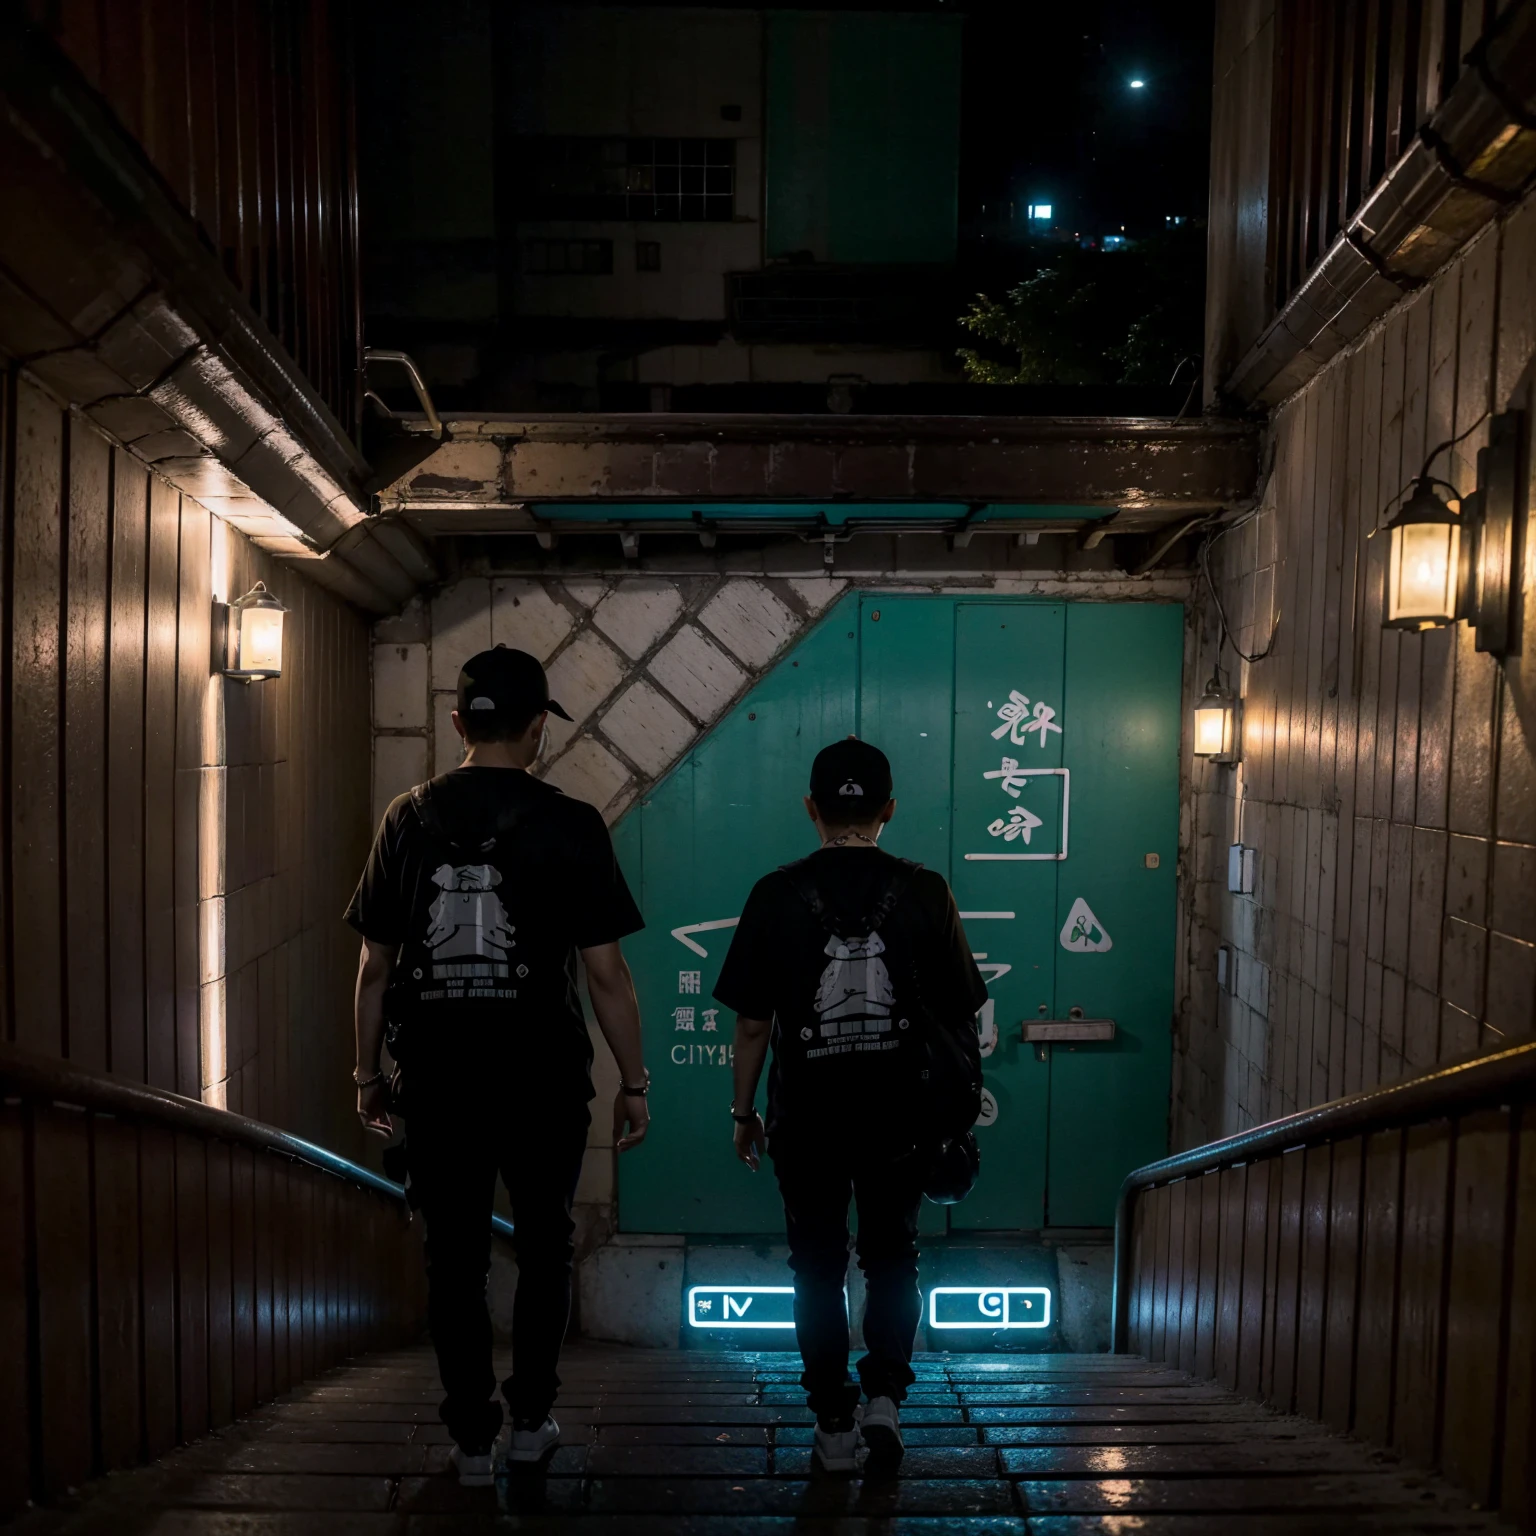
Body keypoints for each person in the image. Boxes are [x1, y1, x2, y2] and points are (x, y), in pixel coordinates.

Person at [346, 645, 651, 1486]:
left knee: (455, 1255)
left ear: (458, 723)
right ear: (541, 726)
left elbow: (376, 967)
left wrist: (367, 1075)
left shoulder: (405, 819)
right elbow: (604, 975)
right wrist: (634, 1082)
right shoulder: (572, 823)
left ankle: (472, 1438)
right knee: (547, 1243)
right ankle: (531, 1420)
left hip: (439, 1079)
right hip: (542, 1076)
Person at [712, 738, 987, 1472]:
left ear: (812, 809)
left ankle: (832, 1422)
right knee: (894, 1256)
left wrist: (744, 1114)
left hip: (807, 1120)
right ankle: (885, 1402)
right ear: (889, 809)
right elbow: (963, 1011)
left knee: (816, 1266)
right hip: (902, 1119)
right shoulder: (926, 891)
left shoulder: (776, 893)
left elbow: (750, 1023)